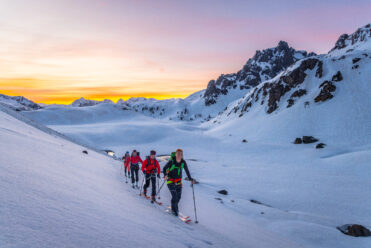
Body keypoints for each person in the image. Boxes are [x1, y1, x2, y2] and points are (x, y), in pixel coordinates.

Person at [163, 149, 194, 216]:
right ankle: (174, 210)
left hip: (179, 182)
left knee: (178, 197)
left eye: (181, 154)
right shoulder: (171, 161)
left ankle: (174, 208)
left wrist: (190, 179)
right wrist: (165, 175)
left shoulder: (183, 162)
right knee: (175, 196)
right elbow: (164, 168)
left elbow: (187, 171)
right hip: (170, 181)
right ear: (176, 154)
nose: (180, 155)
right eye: (178, 154)